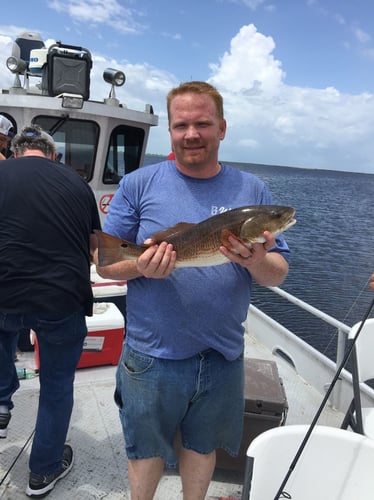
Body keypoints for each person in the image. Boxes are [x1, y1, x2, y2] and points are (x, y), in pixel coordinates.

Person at [95, 81, 290, 500]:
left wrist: (255, 259)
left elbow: (277, 275)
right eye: (181, 125)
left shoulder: (252, 191)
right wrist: (142, 266)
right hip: (151, 353)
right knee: (145, 451)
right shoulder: (138, 184)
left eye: (202, 123)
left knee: (203, 447)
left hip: (223, 354)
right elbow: (108, 261)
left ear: (222, 128)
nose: (191, 134)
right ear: (170, 130)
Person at [0, 124, 101, 497]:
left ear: (14, 151)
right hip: (61, 298)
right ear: (53, 155)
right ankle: (42, 473)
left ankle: (1, 400)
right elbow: (94, 245)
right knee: (56, 387)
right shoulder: (78, 185)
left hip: (3, 292)